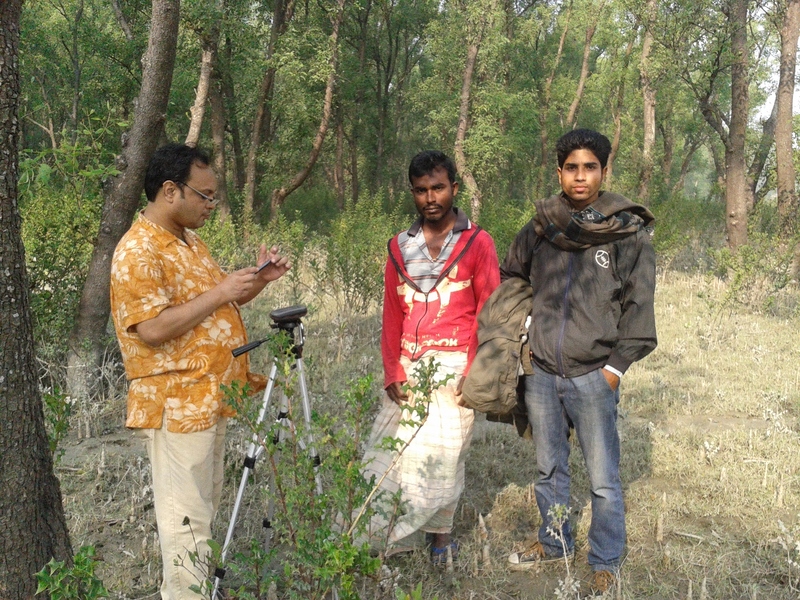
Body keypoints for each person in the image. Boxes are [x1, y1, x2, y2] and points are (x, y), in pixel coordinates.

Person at [109, 143, 290, 599]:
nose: (212, 205)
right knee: (184, 523)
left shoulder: (189, 242)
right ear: (171, 190)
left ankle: (203, 591)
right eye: (205, 196)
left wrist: (254, 283)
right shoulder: (138, 249)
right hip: (177, 405)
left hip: (209, 400)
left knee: (200, 516)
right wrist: (221, 291)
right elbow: (151, 328)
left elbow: (211, 307)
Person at [501, 129, 657, 593]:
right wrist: (524, 332)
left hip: (594, 375)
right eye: (572, 167)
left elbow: (639, 307)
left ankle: (605, 559)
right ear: (559, 172)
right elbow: (512, 273)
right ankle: (555, 543)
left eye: (590, 167)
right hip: (543, 373)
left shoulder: (626, 232)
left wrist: (614, 370)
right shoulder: (542, 226)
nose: (581, 176)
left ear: (604, 172)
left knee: (604, 478)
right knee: (549, 468)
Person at [360, 150, 500, 562]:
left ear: (454, 189)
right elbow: (392, 313)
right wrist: (392, 370)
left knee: (443, 457)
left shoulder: (478, 243)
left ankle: (441, 540)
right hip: (408, 364)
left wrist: (474, 372)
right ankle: (382, 541)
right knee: (387, 458)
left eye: (438, 187)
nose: (430, 197)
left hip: (455, 365)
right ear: (412, 194)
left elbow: (488, 313)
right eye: (421, 190)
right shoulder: (398, 248)